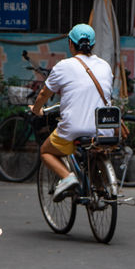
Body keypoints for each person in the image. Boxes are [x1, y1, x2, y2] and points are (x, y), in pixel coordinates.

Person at [31, 23, 113, 202]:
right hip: (105, 128)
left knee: (46, 151)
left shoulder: (64, 66)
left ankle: (68, 177)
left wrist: (37, 110)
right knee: (92, 150)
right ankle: (100, 188)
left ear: (71, 44)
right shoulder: (105, 66)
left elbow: (45, 93)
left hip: (74, 128)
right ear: (92, 45)